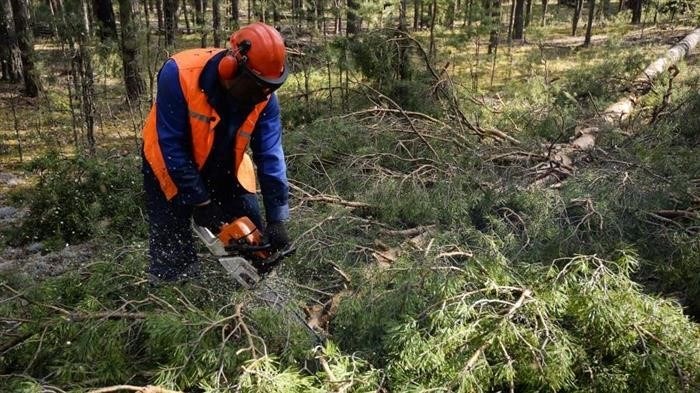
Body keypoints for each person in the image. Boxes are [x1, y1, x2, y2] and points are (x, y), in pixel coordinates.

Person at [141, 22, 291, 282]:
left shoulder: (264, 96)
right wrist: (201, 202)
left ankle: (253, 301)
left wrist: (277, 218)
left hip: (225, 164)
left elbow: (270, 155)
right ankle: (172, 294)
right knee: (172, 250)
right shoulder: (179, 73)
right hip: (168, 162)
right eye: (254, 86)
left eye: (268, 87)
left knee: (252, 242)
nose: (260, 95)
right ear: (231, 67)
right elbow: (172, 146)